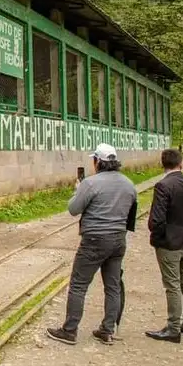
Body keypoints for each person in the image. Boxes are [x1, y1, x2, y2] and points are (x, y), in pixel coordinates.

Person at [47, 143, 137, 346]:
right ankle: (107, 330)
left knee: (78, 285)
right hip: (118, 239)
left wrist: (77, 191)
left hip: (94, 240)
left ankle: (69, 330)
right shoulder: (128, 184)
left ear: (98, 161)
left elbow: (73, 209)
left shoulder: (90, 184)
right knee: (112, 286)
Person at [145, 148, 183, 343]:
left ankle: (173, 328)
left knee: (172, 286)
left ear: (163, 164)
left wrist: (158, 237)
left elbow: (157, 220)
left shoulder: (163, 186)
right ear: (181, 163)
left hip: (170, 244)